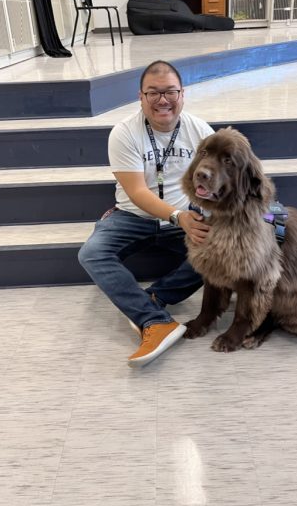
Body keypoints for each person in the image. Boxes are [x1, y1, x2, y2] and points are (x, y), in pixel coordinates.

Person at [78, 60, 213, 367]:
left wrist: (203, 218)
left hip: (184, 215)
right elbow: (138, 192)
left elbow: (216, 183)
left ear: (183, 94)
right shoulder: (124, 133)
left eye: (170, 91)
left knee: (221, 247)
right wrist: (179, 217)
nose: (162, 100)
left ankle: (155, 297)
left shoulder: (201, 131)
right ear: (140, 97)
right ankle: (155, 322)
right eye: (153, 93)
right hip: (132, 216)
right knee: (91, 253)